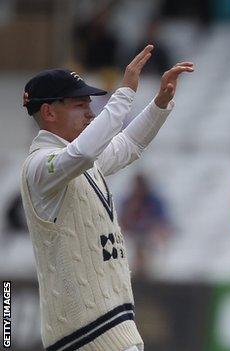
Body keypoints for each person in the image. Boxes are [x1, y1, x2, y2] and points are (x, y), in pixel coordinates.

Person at [19, 45, 193, 351]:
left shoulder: (76, 163)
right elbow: (84, 152)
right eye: (79, 104)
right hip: (85, 334)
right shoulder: (40, 166)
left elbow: (127, 145)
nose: (90, 112)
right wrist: (124, 93)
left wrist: (159, 104)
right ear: (48, 111)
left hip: (111, 327)